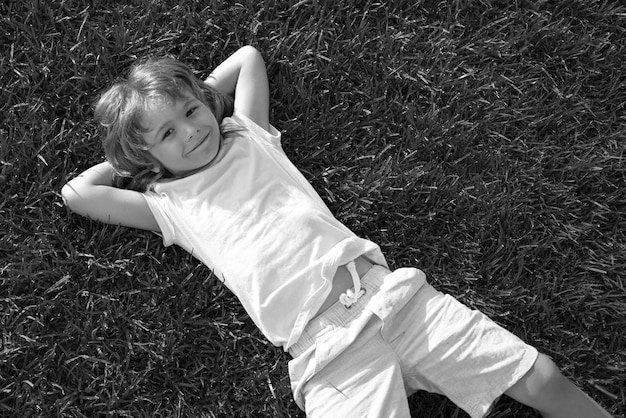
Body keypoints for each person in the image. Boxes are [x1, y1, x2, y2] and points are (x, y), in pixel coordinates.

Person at [61, 46, 612, 418]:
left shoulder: (250, 138)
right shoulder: (170, 206)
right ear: (146, 153)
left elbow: (249, 59)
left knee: (538, 375)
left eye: (190, 112)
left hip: (394, 300)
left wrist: (199, 98)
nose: (191, 131)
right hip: (326, 355)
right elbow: (78, 193)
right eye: (168, 133)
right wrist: (131, 155)